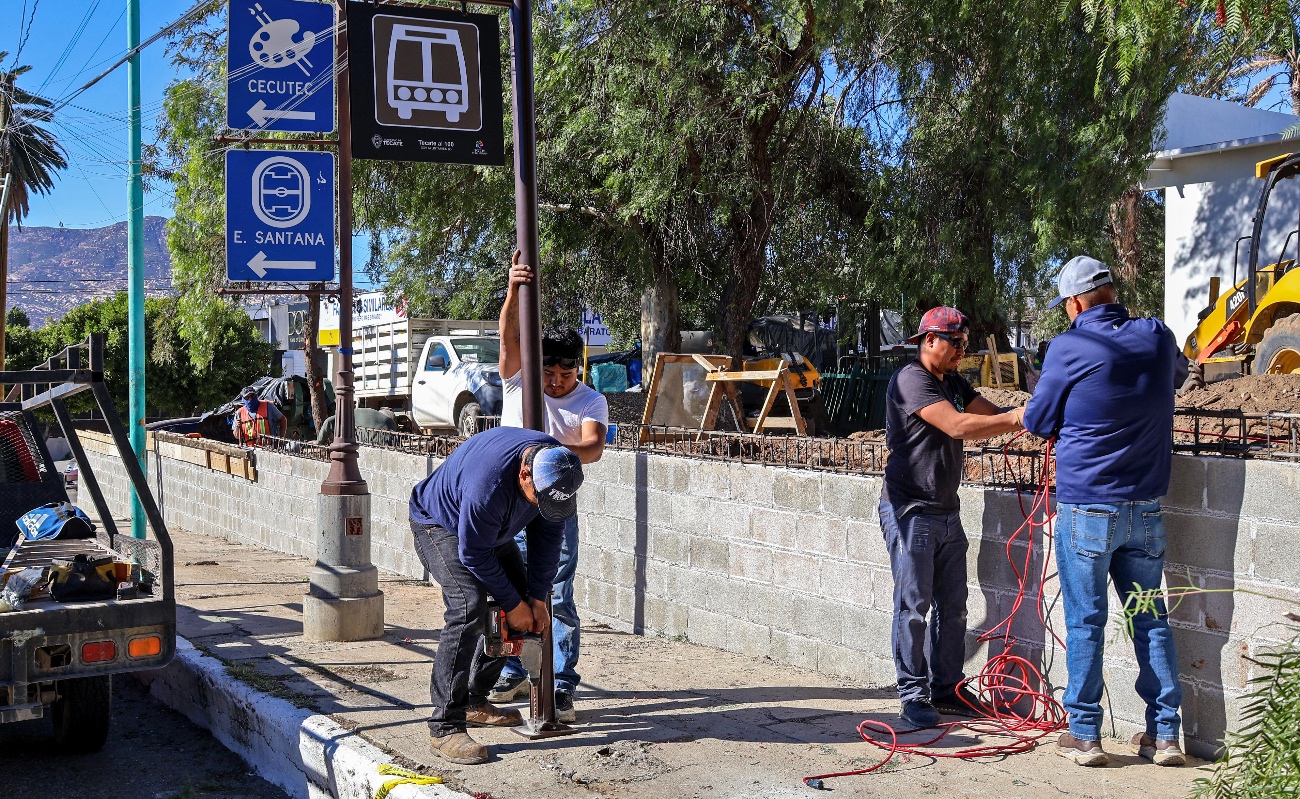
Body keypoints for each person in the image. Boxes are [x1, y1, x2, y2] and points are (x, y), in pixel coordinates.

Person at [1022, 256, 1189, 767]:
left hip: (1089, 511)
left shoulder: (1070, 346)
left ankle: (1085, 735)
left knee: (1087, 621)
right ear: (1112, 292)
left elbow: (1036, 420)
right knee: (1149, 618)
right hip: (1144, 514)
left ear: (1074, 303)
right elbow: (1176, 375)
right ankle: (1164, 737)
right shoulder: (1156, 335)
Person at [880, 306, 1025, 729]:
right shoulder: (912, 380)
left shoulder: (953, 383)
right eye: (955, 343)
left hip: (945, 511)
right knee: (913, 608)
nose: (962, 350)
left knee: (954, 608)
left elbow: (985, 411)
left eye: (965, 343)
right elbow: (960, 426)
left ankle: (948, 691)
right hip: (910, 510)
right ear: (929, 340)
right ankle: (912, 695)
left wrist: (1025, 414)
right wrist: (1014, 418)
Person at [409, 425, 585, 765]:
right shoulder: (488, 485)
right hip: (439, 524)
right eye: (540, 499)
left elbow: (548, 540)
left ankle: (475, 699)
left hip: (492, 533)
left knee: (519, 610)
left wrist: (535, 598)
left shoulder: (555, 471)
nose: (544, 506)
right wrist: (514, 604)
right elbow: (473, 552)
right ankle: (445, 725)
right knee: (469, 607)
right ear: (524, 474)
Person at [487, 250, 609, 723]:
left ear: (578, 369)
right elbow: (508, 337)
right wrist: (515, 288)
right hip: (510, 504)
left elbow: (593, 447)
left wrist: (544, 449)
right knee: (512, 590)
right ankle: (515, 669)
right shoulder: (520, 382)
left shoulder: (591, 399)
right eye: (550, 372)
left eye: (566, 374)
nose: (556, 382)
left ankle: (560, 685)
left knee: (557, 592)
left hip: (555, 507)